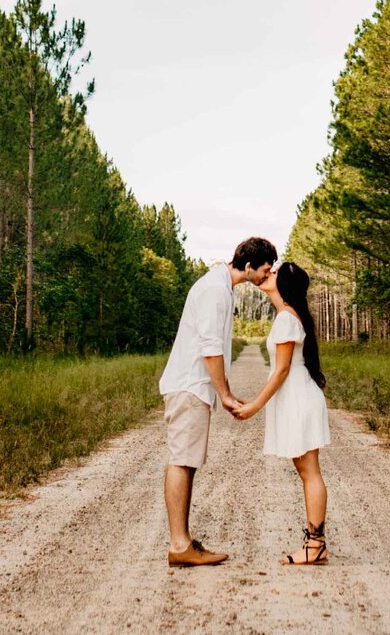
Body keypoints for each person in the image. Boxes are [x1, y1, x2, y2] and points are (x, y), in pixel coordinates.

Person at [158, 235, 278, 567]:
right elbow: (210, 347)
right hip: (188, 386)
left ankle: (182, 541)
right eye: (265, 271)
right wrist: (224, 394)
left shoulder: (220, 287)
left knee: (188, 461)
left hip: (194, 387)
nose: (266, 277)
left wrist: (221, 390)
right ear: (249, 265)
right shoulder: (214, 290)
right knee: (182, 460)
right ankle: (179, 544)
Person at [233, 260, 331, 566]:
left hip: (299, 400)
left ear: (284, 284)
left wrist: (253, 406)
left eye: (273, 272)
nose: (267, 274)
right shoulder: (286, 317)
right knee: (306, 471)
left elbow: (281, 371)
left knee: (309, 472)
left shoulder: (287, 320)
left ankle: (315, 545)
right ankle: (315, 544)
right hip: (297, 399)